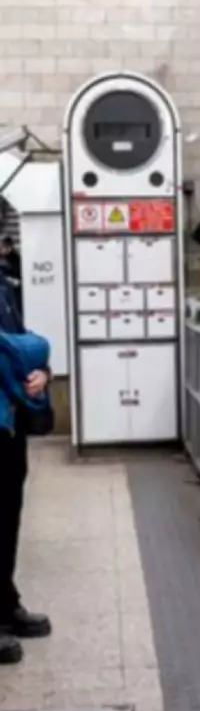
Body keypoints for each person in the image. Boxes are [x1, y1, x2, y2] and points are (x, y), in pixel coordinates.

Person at [0, 267, 51, 665]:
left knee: (8, 516)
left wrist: (41, 373)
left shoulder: (3, 286)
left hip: (8, 420)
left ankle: (6, 604)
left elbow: (25, 343)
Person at [0, 236, 22, 314]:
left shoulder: (15, 258)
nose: (2, 249)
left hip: (13, 289)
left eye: (3, 247)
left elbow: (18, 276)